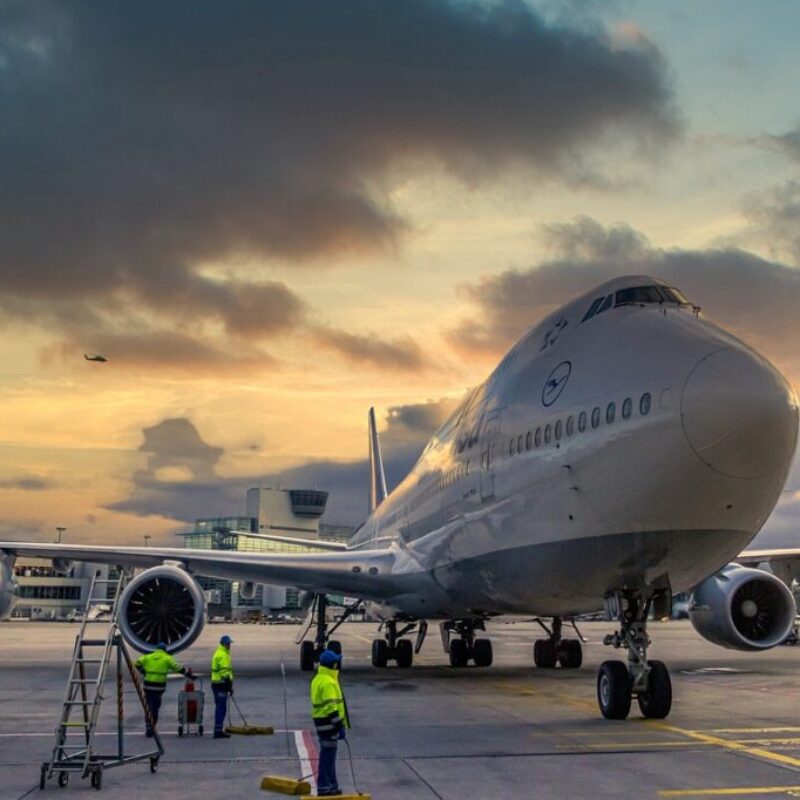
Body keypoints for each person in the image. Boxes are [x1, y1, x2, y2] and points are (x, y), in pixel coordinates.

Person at [310, 649, 350, 796]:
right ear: (332, 665)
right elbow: (332, 707)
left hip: (321, 723)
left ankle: (332, 785)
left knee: (329, 755)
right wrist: (339, 726)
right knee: (328, 756)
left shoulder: (318, 679)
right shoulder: (328, 682)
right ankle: (324, 786)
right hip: (329, 725)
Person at [134, 642, 192, 737]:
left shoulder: (149, 656)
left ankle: (148, 726)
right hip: (158, 688)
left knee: (148, 707)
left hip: (148, 686)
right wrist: (188, 674)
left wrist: (143, 671)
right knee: (155, 708)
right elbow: (178, 668)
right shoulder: (167, 658)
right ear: (165, 650)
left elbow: (137, 663)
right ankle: (152, 727)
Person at [211, 634, 234, 739]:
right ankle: (218, 731)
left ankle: (218, 729)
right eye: (228, 644)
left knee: (220, 707)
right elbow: (224, 672)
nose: (230, 645)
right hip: (221, 684)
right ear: (224, 644)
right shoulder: (222, 654)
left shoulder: (221, 653)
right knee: (221, 708)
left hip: (218, 684)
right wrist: (229, 685)